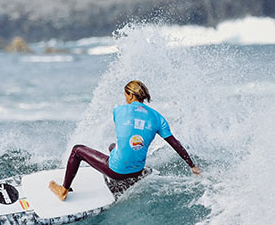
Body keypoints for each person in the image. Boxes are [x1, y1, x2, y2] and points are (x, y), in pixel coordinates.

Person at [49, 80, 201, 201]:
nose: (125, 98)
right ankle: (127, 179)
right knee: (112, 146)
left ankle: (63, 190)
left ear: (130, 95)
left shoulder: (119, 110)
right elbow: (175, 143)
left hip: (117, 170)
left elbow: (127, 130)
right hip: (137, 170)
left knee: (77, 150)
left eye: (125, 95)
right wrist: (192, 166)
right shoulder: (158, 117)